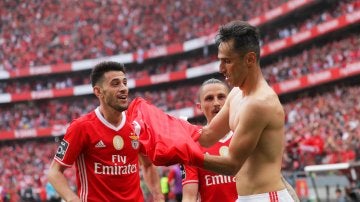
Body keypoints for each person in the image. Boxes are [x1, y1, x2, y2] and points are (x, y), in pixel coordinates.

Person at [198, 20, 297, 201]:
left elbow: (231, 164)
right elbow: (208, 136)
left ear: (250, 59)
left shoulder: (259, 103)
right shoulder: (236, 93)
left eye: (227, 61)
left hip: (266, 197)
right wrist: (165, 129)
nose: (221, 69)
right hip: (245, 197)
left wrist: (184, 153)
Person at [47, 61, 164, 202]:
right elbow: (54, 172)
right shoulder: (81, 127)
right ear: (98, 91)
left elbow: (148, 165)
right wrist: (73, 199)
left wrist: (158, 196)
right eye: (115, 84)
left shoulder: (137, 124)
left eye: (124, 83)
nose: (123, 88)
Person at [181, 78, 237, 202]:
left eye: (221, 97)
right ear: (199, 107)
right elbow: (189, 196)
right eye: (209, 98)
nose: (216, 103)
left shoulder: (243, 135)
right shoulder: (192, 143)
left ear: (230, 102)